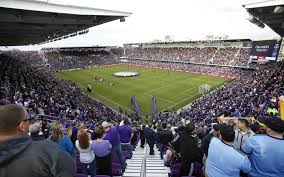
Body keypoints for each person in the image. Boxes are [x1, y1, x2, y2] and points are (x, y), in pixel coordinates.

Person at [0, 104, 75, 177]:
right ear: (22, 126)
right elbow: (69, 166)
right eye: (28, 120)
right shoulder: (47, 149)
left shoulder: (48, 144)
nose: (30, 123)